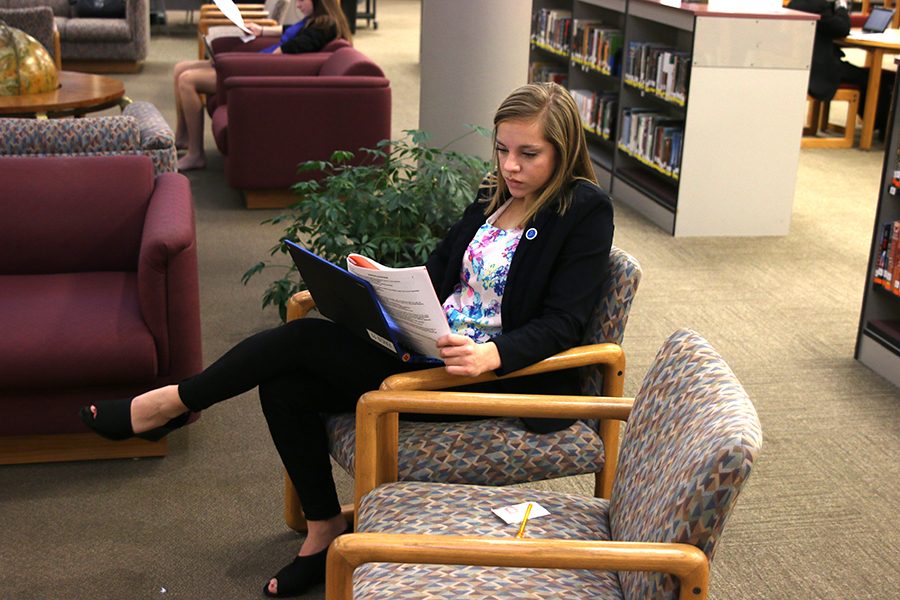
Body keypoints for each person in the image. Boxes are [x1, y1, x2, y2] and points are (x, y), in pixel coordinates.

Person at [79, 82, 615, 598]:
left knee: (300, 343)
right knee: (287, 384)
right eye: (502, 150)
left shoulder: (582, 211)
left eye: (529, 153)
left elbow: (564, 322)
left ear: (564, 153)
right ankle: (323, 526)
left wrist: (487, 355)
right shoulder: (493, 196)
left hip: (491, 376)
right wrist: (385, 279)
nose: (510, 166)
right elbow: (443, 272)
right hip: (431, 346)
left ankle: (170, 405)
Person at [172, 0, 352, 171]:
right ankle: (182, 136)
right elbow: (289, 30)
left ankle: (196, 153)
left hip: (255, 70)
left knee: (187, 80)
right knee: (180, 68)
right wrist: (262, 30)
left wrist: (240, 60)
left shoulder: (323, 27)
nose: (297, 5)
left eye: (302, 0)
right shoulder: (317, 22)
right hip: (256, 62)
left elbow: (289, 50)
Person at [789, 0, 893, 134]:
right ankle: (878, 128)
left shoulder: (795, 3)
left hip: (808, 65)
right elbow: (843, 28)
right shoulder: (820, 6)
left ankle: (874, 122)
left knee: (868, 75)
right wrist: (842, 6)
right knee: (879, 77)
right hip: (822, 71)